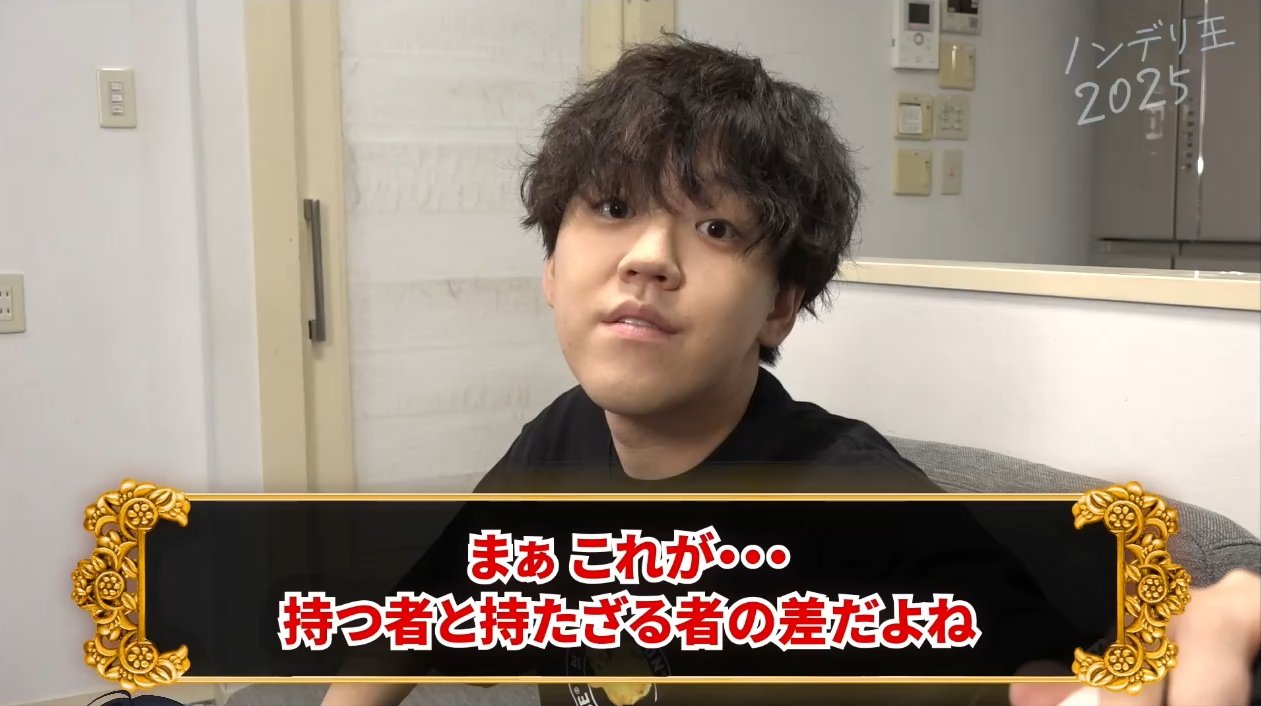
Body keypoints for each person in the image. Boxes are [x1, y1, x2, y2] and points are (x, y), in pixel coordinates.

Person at [322, 35, 1260, 706]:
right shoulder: (557, 443)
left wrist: (1206, 627)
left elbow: (1041, 677)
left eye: (715, 227)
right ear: (550, 267)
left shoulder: (854, 506)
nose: (648, 257)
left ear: (780, 304)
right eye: (611, 207)